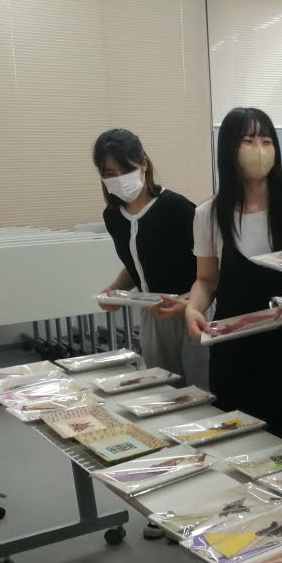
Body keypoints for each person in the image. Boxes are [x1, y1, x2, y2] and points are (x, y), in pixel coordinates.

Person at [185, 107, 282, 439]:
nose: (259, 149)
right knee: (234, 434)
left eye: (267, 141)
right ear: (229, 149)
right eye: (248, 141)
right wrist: (193, 308)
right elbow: (206, 279)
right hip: (232, 346)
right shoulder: (209, 213)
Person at [93, 129, 208, 389]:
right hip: (152, 315)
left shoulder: (177, 208)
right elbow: (137, 261)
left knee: (201, 389)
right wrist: (115, 290)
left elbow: (211, 265)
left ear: (143, 163)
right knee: (164, 391)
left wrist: (190, 305)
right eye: (110, 173)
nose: (119, 179)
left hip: (192, 308)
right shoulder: (113, 216)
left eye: (126, 169)